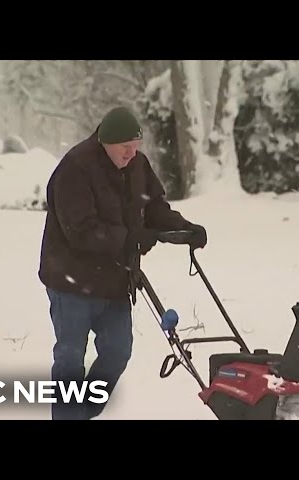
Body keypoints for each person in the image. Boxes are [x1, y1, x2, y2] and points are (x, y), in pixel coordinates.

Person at [38, 106, 207, 420]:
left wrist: (183, 228)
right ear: (105, 141)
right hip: (71, 281)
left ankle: (82, 412)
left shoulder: (137, 165)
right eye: (124, 147)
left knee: (117, 352)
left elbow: (154, 207)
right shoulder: (76, 168)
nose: (131, 154)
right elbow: (80, 230)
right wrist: (129, 240)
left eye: (136, 146)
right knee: (70, 357)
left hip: (115, 280)